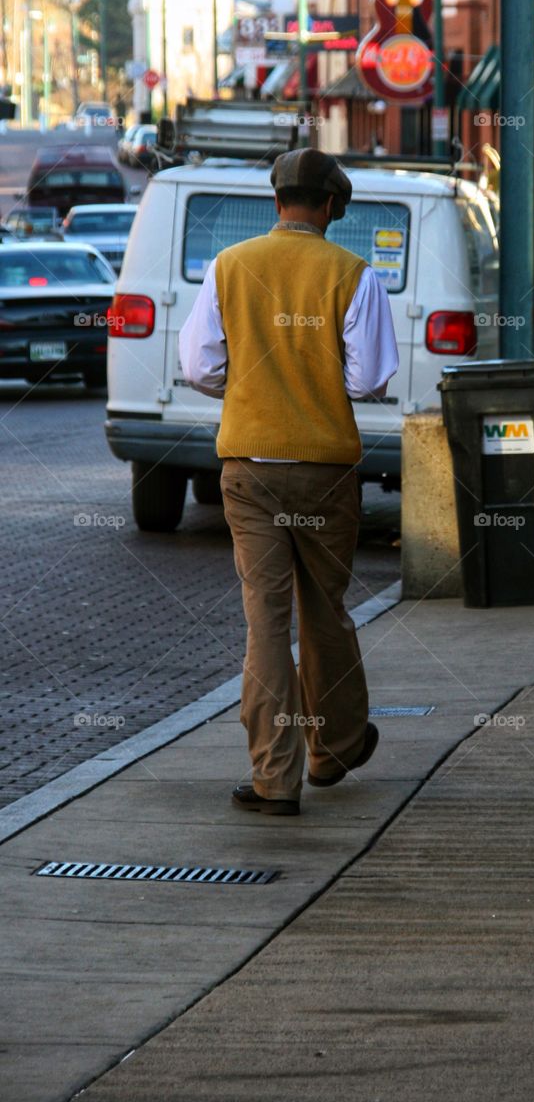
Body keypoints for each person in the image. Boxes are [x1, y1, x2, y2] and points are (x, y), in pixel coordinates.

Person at [180, 148, 399, 816]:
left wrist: (249, 387)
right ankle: (334, 747)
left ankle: (275, 778)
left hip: (250, 470)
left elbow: (198, 366)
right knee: (324, 611)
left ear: (275, 202)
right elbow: (366, 380)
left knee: (264, 622)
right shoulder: (353, 275)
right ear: (331, 206)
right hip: (326, 470)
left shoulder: (229, 267)